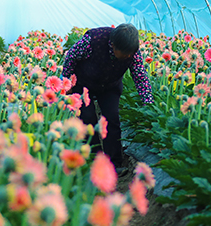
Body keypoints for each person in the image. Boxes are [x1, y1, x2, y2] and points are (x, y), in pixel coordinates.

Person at [62, 23, 153, 171]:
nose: (129, 56)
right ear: (114, 46)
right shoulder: (92, 41)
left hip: (109, 86)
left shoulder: (132, 51)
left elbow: (140, 77)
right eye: (125, 54)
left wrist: (147, 104)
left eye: (131, 53)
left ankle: (114, 163)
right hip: (83, 83)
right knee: (87, 118)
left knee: (112, 118)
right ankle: (94, 160)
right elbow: (71, 57)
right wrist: (65, 83)